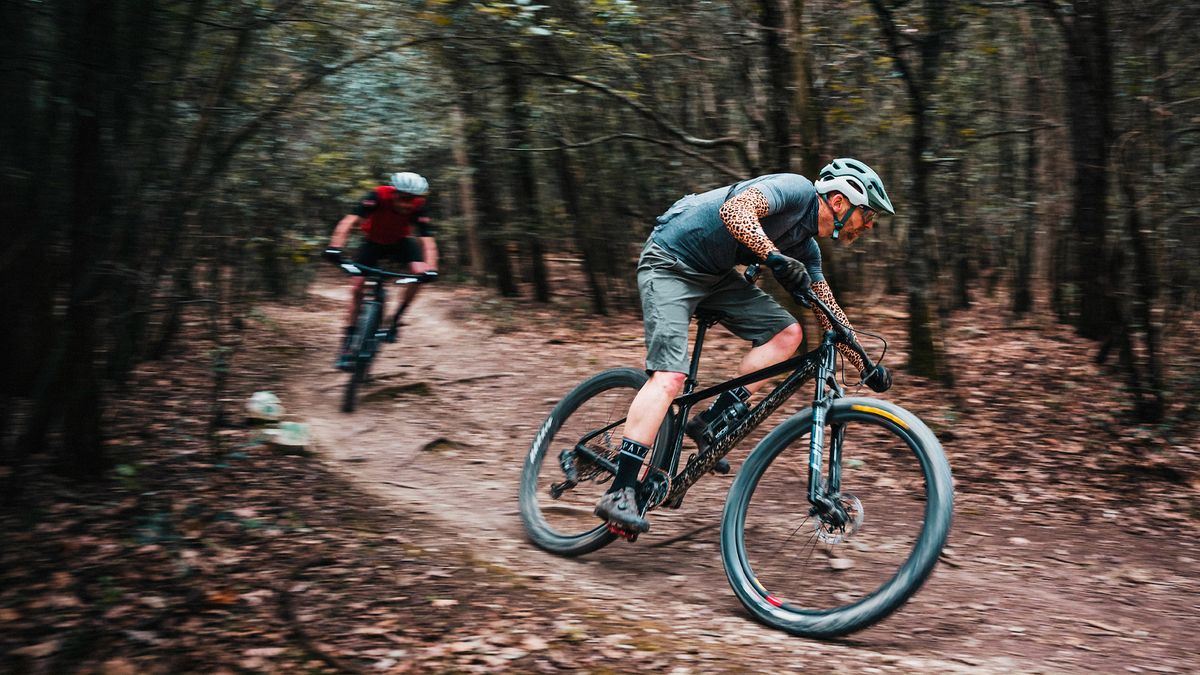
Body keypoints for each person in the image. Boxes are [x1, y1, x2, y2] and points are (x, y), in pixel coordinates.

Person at [593, 158, 896, 533]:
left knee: (788, 334)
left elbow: (828, 310)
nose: (869, 225)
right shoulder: (795, 188)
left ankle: (711, 420)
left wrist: (864, 364)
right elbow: (735, 211)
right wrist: (775, 259)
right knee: (670, 378)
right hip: (669, 262)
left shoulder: (807, 249)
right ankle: (621, 491)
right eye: (867, 215)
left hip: (713, 276)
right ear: (839, 202)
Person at [324, 171, 438, 369]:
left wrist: (432, 268)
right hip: (373, 242)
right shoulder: (377, 196)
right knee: (357, 288)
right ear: (394, 193)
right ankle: (347, 343)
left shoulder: (418, 207)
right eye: (403, 198)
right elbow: (349, 221)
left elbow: (428, 241)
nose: (406, 204)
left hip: (401, 243)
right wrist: (335, 247)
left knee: (421, 273)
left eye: (411, 200)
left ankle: (395, 319)